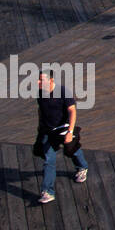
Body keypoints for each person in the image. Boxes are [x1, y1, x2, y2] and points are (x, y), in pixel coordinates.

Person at [34, 70, 89, 204]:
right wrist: (40, 127)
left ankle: (82, 167)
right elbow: (40, 110)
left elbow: (72, 110)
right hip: (49, 131)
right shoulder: (40, 93)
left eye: (41, 80)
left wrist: (70, 132)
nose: (38, 82)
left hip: (64, 129)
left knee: (71, 150)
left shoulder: (63, 91)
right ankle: (48, 191)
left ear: (51, 81)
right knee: (49, 159)